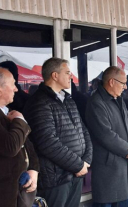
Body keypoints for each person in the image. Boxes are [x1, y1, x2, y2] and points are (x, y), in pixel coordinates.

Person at [23, 58, 93, 207]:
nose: (71, 76)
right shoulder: (39, 102)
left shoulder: (68, 100)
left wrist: (86, 161)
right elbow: (47, 142)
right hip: (55, 180)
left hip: (75, 175)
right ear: (55, 75)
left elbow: (84, 131)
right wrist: (78, 165)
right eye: (67, 72)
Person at [85, 66, 128, 207]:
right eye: (123, 83)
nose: (125, 87)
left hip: (124, 168)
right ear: (111, 82)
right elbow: (106, 135)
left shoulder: (118, 99)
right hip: (108, 170)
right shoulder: (96, 103)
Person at [0, 67, 39, 207]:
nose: (16, 89)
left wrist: (34, 169)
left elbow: (28, 145)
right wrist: (20, 121)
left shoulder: (8, 112)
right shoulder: (15, 117)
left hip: (18, 194)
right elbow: (10, 147)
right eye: (13, 84)